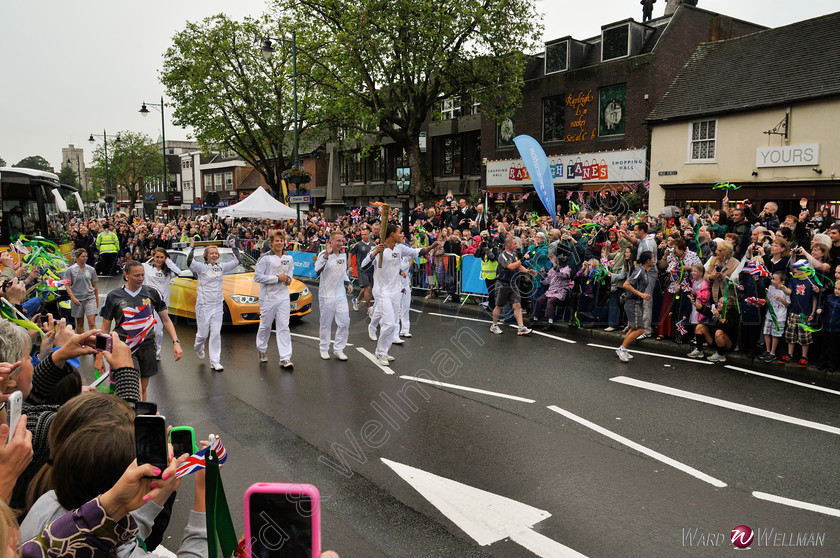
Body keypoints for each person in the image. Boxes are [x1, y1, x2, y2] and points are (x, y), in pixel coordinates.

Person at [363, 225, 439, 366]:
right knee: (390, 323)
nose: (401, 234)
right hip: (382, 292)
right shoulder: (378, 249)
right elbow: (363, 266)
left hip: (395, 291)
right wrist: (374, 254)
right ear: (392, 234)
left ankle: (384, 351)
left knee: (392, 324)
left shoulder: (399, 248)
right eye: (399, 232)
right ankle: (379, 352)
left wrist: (431, 247)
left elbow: (416, 251)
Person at [254, 231, 295, 369]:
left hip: (283, 297)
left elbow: (289, 275)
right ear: (271, 243)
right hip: (268, 298)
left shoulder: (288, 258)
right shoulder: (265, 258)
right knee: (265, 326)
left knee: (284, 326)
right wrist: (277, 279)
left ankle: (285, 357)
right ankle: (262, 349)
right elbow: (257, 277)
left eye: (281, 241)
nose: (279, 243)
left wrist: (288, 279)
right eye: (277, 241)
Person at [314, 231, 353, 361]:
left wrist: (348, 282)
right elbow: (316, 270)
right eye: (338, 241)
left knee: (344, 322)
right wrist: (326, 254)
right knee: (326, 324)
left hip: (340, 295)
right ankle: (324, 348)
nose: (341, 243)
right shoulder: (323, 255)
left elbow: (343, 272)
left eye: (342, 241)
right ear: (331, 241)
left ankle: (339, 349)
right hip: (326, 296)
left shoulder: (343, 254)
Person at [489, 235, 537, 336]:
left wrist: (528, 271)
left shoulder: (514, 255)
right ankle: (494, 325)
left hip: (513, 284)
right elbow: (510, 267)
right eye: (514, 244)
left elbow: (518, 266)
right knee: (499, 306)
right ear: (509, 245)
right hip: (503, 284)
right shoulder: (502, 256)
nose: (516, 245)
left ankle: (521, 328)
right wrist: (523, 258)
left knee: (517, 305)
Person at [142, 247, 182, 361]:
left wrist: (168, 261)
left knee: (158, 332)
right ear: (153, 257)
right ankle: (145, 351)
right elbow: (132, 268)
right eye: (157, 257)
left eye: (162, 257)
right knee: (146, 329)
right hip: (147, 303)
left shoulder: (168, 271)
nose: (159, 260)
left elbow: (179, 272)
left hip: (161, 305)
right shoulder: (146, 267)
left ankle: (156, 351)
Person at [616, 251, 654, 361]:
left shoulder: (645, 271)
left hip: (637, 303)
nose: (654, 260)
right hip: (633, 302)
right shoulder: (640, 271)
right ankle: (622, 349)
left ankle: (623, 348)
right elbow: (626, 284)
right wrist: (641, 294)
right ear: (647, 260)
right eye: (652, 258)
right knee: (640, 329)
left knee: (633, 327)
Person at [63, 249, 99, 334]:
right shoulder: (70, 270)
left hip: (90, 298)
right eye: (83, 256)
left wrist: (96, 298)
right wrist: (73, 298)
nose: (85, 258)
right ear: (77, 257)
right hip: (77, 300)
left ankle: (95, 343)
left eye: (86, 256)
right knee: (80, 323)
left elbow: (95, 285)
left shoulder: (91, 269)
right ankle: (81, 343)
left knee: (92, 322)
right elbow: (67, 285)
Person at [757, 272, 790, 362]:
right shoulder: (770, 288)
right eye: (772, 278)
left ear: (782, 282)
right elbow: (768, 300)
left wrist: (781, 300)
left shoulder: (785, 291)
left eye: (774, 279)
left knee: (775, 335)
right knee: (766, 333)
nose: (772, 281)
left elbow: (788, 304)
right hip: (769, 314)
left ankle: (773, 352)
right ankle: (768, 350)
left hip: (779, 316)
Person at [348, 226, 375, 314]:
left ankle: (356, 300)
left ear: (369, 234)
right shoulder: (358, 245)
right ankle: (369, 308)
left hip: (371, 269)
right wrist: (350, 266)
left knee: (367, 288)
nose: (363, 236)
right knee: (367, 287)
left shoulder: (373, 244)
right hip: (361, 269)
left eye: (365, 234)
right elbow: (350, 254)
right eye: (362, 234)